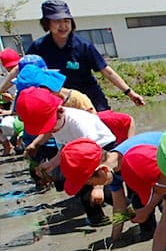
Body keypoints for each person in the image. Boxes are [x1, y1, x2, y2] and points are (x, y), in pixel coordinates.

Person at [59, 136, 166, 251]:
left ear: (101, 171)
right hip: (155, 177)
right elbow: (119, 205)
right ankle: (154, 236)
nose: (91, 185)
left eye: (89, 182)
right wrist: (114, 238)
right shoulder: (112, 168)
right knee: (140, 206)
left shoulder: (134, 161)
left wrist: (147, 210)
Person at [16, 86, 116, 225]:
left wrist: (98, 188)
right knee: (83, 191)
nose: (48, 131)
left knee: (106, 190)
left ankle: (128, 210)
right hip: (81, 153)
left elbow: (95, 154)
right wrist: (51, 164)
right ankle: (98, 221)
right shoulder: (58, 123)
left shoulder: (79, 123)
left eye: (48, 126)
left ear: (60, 111)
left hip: (102, 151)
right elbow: (64, 147)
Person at [26, 0, 144, 111]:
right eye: (57, 21)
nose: (63, 26)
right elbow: (22, 71)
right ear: (47, 24)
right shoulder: (39, 47)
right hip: (60, 102)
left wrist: (130, 93)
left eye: (66, 21)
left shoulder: (83, 46)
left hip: (90, 99)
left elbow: (106, 71)